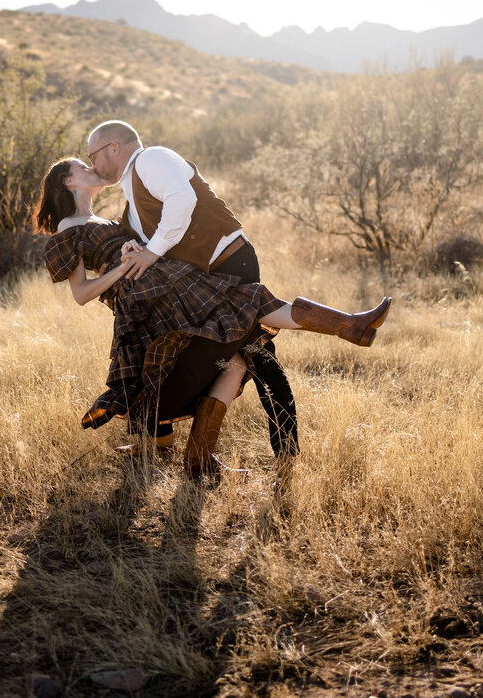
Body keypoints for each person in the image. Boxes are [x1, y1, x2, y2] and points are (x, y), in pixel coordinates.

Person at [33, 156, 391, 479]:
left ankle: (351, 325)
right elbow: (81, 293)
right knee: (241, 311)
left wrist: (132, 249)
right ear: (69, 182)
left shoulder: (108, 217)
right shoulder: (68, 226)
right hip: (143, 295)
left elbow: (131, 247)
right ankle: (350, 326)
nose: (90, 167)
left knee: (238, 326)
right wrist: (122, 270)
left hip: (163, 279)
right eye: (82, 166)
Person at [84, 119, 314, 484]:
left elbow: (183, 200)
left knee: (257, 359)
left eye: (92, 155)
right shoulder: (133, 197)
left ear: (113, 147)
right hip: (206, 280)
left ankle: (282, 457)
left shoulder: (150, 160)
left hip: (231, 265)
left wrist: (150, 253)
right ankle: (199, 456)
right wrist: (135, 247)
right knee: (232, 361)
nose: (92, 164)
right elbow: (157, 234)